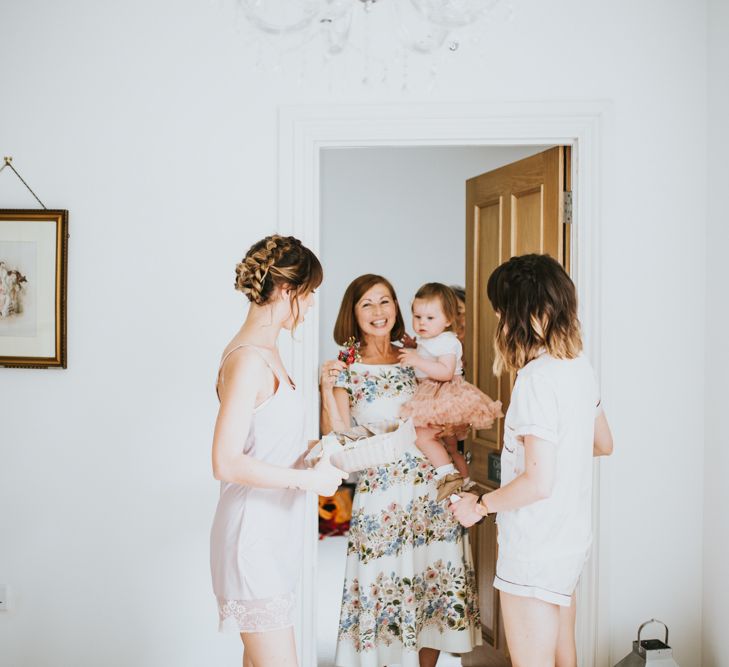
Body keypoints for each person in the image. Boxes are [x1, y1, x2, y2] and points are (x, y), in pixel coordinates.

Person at [450, 254, 614, 667]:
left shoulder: (536, 380)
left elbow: (539, 482)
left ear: (521, 316)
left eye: (503, 311)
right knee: (565, 659)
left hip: (534, 549)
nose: (501, 323)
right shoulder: (579, 368)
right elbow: (602, 442)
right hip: (568, 542)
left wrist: (479, 506)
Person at [320, 274, 482, 667]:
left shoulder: (417, 357)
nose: (379, 312)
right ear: (352, 314)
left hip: (431, 490)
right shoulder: (346, 366)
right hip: (381, 493)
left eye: (385, 301)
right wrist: (327, 391)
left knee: (431, 592)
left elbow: (448, 405)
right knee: (383, 590)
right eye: (367, 304)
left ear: (397, 308)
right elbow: (338, 436)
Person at [210, 234, 347, 667]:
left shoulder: (270, 352)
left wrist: (316, 450)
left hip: (276, 534)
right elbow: (225, 461)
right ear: (287, 291)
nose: (309, 307)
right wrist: (310, 480)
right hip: (252, 537)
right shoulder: (248, 359)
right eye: (308, 296)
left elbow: (268, 444)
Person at [399, 283, 502, 501]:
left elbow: (445, 372)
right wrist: (414, 346)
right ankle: (464, 483)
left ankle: (450, 477)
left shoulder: (448, 341)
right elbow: (428, 353)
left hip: (442, 393)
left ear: (447, 320)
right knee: (450, 447)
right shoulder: (432, 340)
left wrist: (417, 359)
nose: (421, 323)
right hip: (434, 394)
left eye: (429, 318)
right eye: (417, 317)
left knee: (425, 437)